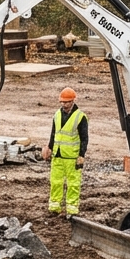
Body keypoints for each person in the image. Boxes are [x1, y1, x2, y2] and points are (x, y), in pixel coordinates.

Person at [42, 87, 87, 216]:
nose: (64, 104)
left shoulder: (80, 117)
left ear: (72, 101)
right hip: (58, 155)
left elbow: (84, 138)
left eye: (66, 102)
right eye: (62, 102)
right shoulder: (57, 115)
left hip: (72, 157)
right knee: (55, 182)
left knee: (73, 184)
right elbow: (54, 134)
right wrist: (49, 148)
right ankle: (54, 207)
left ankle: (72, 209)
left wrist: (81, 155)